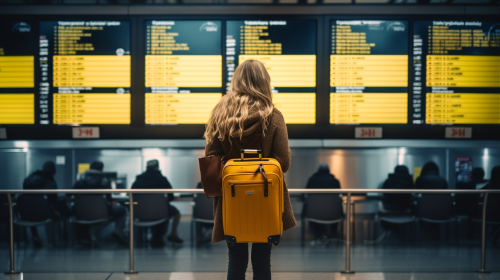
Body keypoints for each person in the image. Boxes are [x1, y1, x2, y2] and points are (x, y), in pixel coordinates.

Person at [204, 59, 297, 280]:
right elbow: (283, 162)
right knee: (262, 260)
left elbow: (211, 157)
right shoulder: (273, 116)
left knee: (236, 260)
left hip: (232, 198)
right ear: (265, 81)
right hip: (266, 198)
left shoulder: (220, 114)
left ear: (237, 80)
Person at [73, 161, 127, 246]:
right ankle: (116, 231)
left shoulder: (81, 180)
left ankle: (89, 233)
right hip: (100, 212)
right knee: (121, 211)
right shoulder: (104, 180)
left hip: (82, 212)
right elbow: (109, 198)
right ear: (101, 169)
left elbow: (70, 194)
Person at [131, 159, 183, 247]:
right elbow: (170, 197)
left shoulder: (137, 180)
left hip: (140, 214)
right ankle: (173, 234)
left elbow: (130, 197)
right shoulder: (162, 180)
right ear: (157, 168)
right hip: (160, 213)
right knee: (176, 212)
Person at [22, 161, 61, 247]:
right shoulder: (50, 182)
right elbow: (53, 201)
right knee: (60, 212)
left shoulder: (29, 179)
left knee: (32, 210)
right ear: (53, 171)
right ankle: (57, 239)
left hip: (26, 213)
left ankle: (35, 236)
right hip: (45, 214)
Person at [303, 163, 341, 241]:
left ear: (318, 171)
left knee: (313, 210)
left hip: (314, 214)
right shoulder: (335, 181)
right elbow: (339, 197)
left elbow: (304, 196)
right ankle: (332, 236)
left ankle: (318, 236)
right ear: (328, 171)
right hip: (333, 214)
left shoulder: (312, 180)